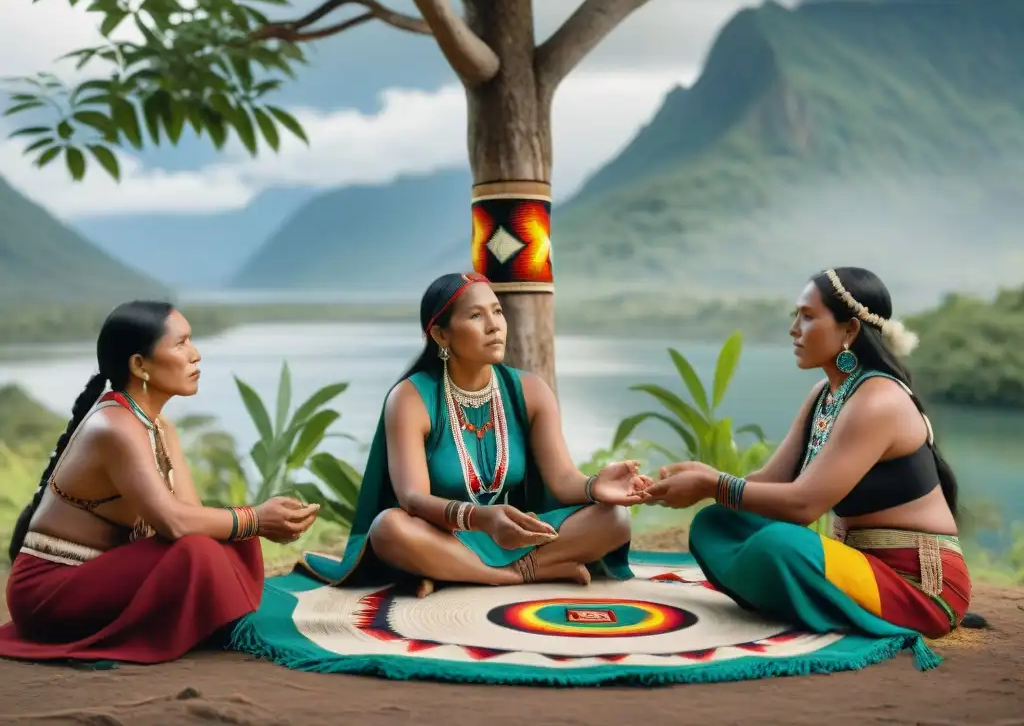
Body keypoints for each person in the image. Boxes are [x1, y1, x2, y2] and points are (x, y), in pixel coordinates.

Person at [645, 267, 972, 644]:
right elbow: (769, 484)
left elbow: (803, 506)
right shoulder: (825, 393)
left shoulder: (879, 401)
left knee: (778, 546)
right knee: (717, 524)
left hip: (916, 584)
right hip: (855, 564)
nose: (794, 329)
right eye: (795, 315)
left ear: (849, 330)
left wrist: (710, 483)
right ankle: (809, 598)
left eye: (808, 316)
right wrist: (697, 478)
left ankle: (806, 599)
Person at [0, 300, 319, 664]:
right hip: (51, 590)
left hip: (106, 574)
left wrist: (249, 525)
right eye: (181, 344)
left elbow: (192, 518)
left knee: (228, 541)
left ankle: (202, 617)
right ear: (140, 365)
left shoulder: (159, 427)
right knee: (203, 547)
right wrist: (257, 519)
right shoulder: (114, 427)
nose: (195, 355)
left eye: (192, 342)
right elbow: (174, 522)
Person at [296, 272, 651, 597]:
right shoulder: (410, 398)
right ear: (441, 335)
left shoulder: (530, 391)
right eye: (476, 316)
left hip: (514, 533)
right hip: (442, 535)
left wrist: (596, 486)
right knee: (388, 529)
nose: (494, 325)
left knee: (614, 519)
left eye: (497, 311)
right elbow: (413, 500)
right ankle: (520, 575)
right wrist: (481, 518)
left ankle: (455, 574)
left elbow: (561, 480)